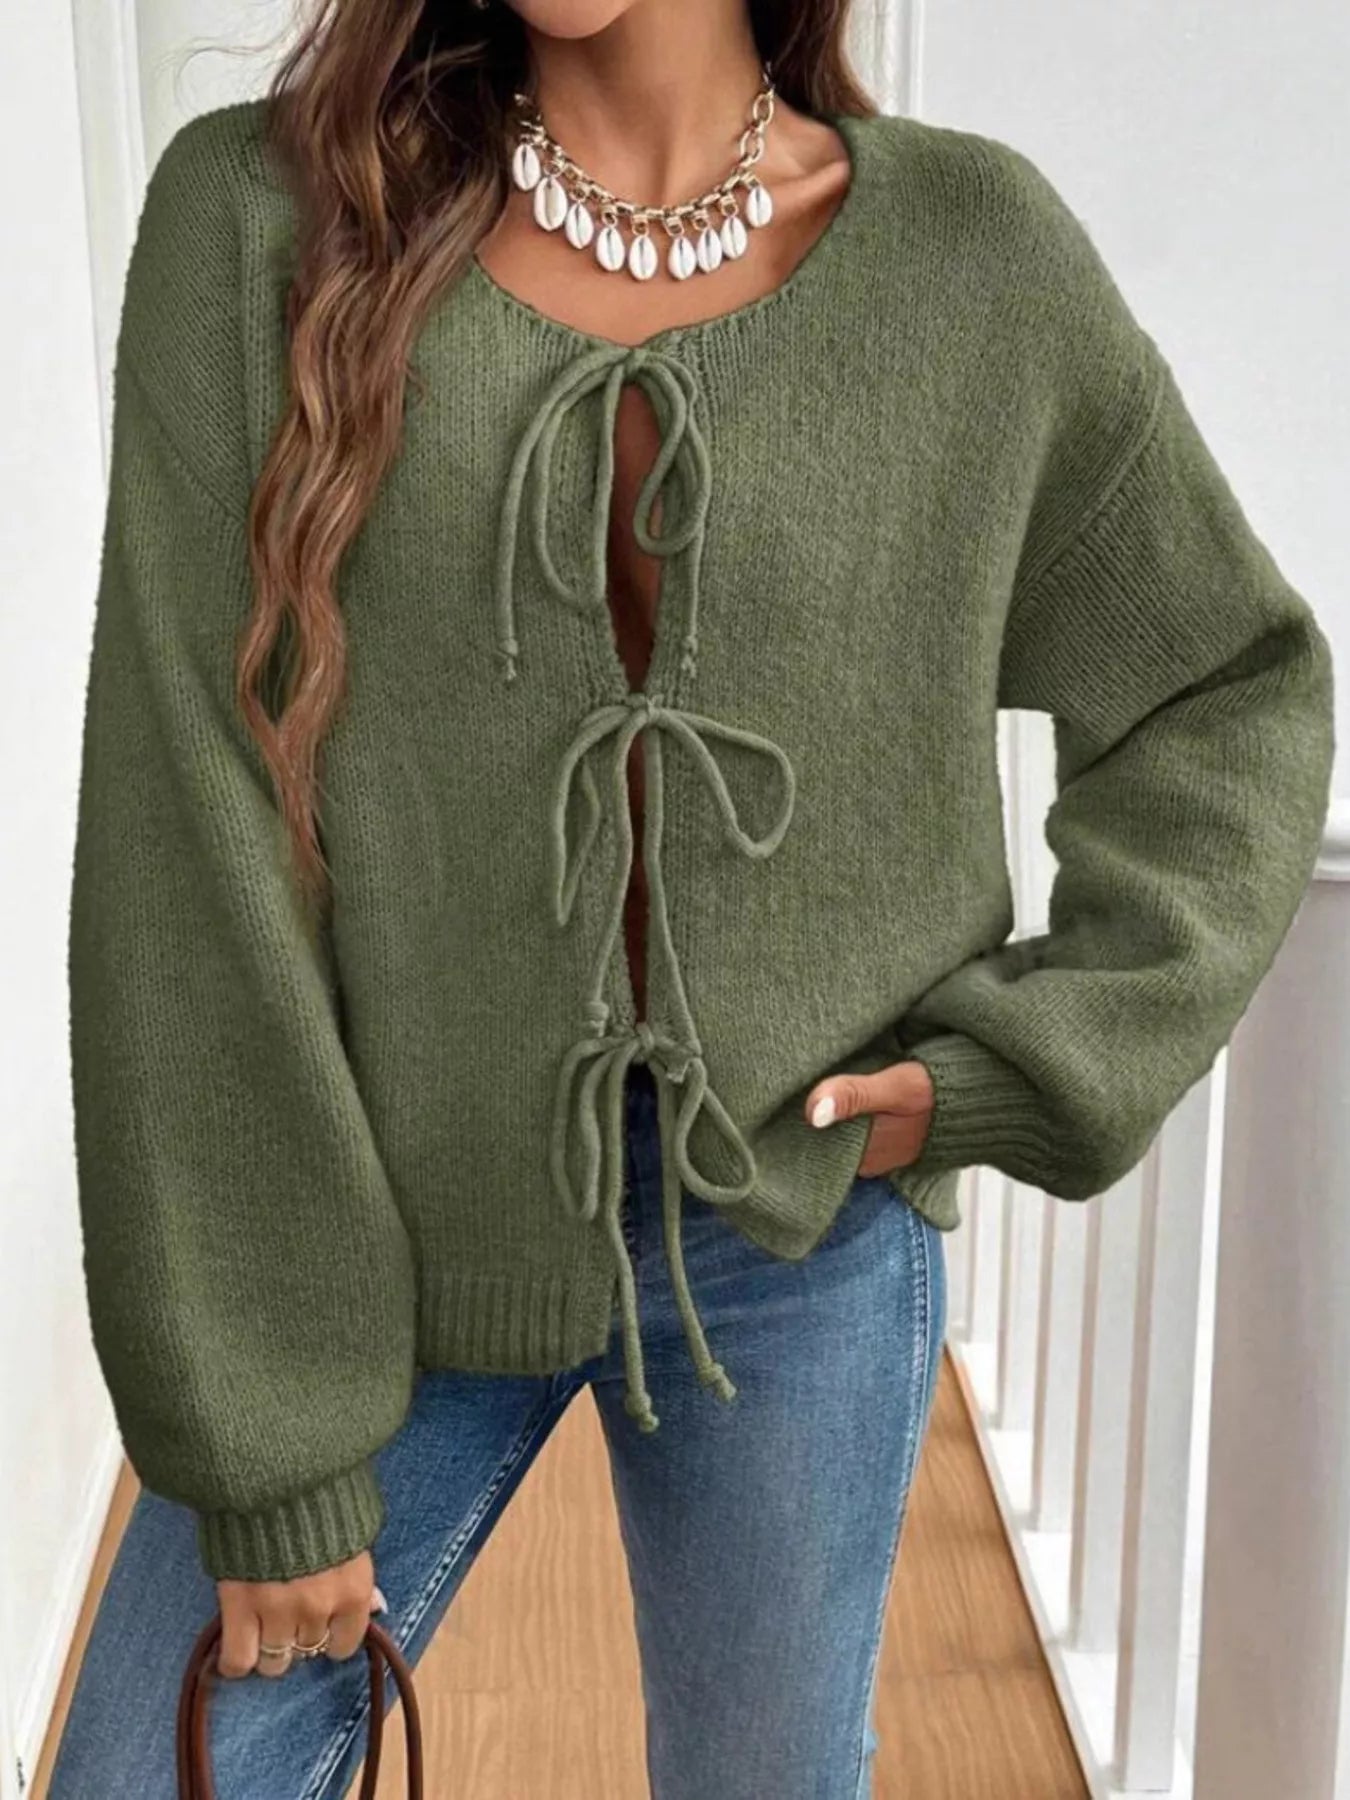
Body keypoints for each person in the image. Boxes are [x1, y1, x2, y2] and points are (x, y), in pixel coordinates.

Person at [50, 0, 1333, 1794]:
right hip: (369, 1231)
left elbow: (1225, 689)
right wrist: (265, 1438)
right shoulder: (263, 219)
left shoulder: (973, 258)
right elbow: (185, 831)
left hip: (800, 1228)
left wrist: (1024, 1062)